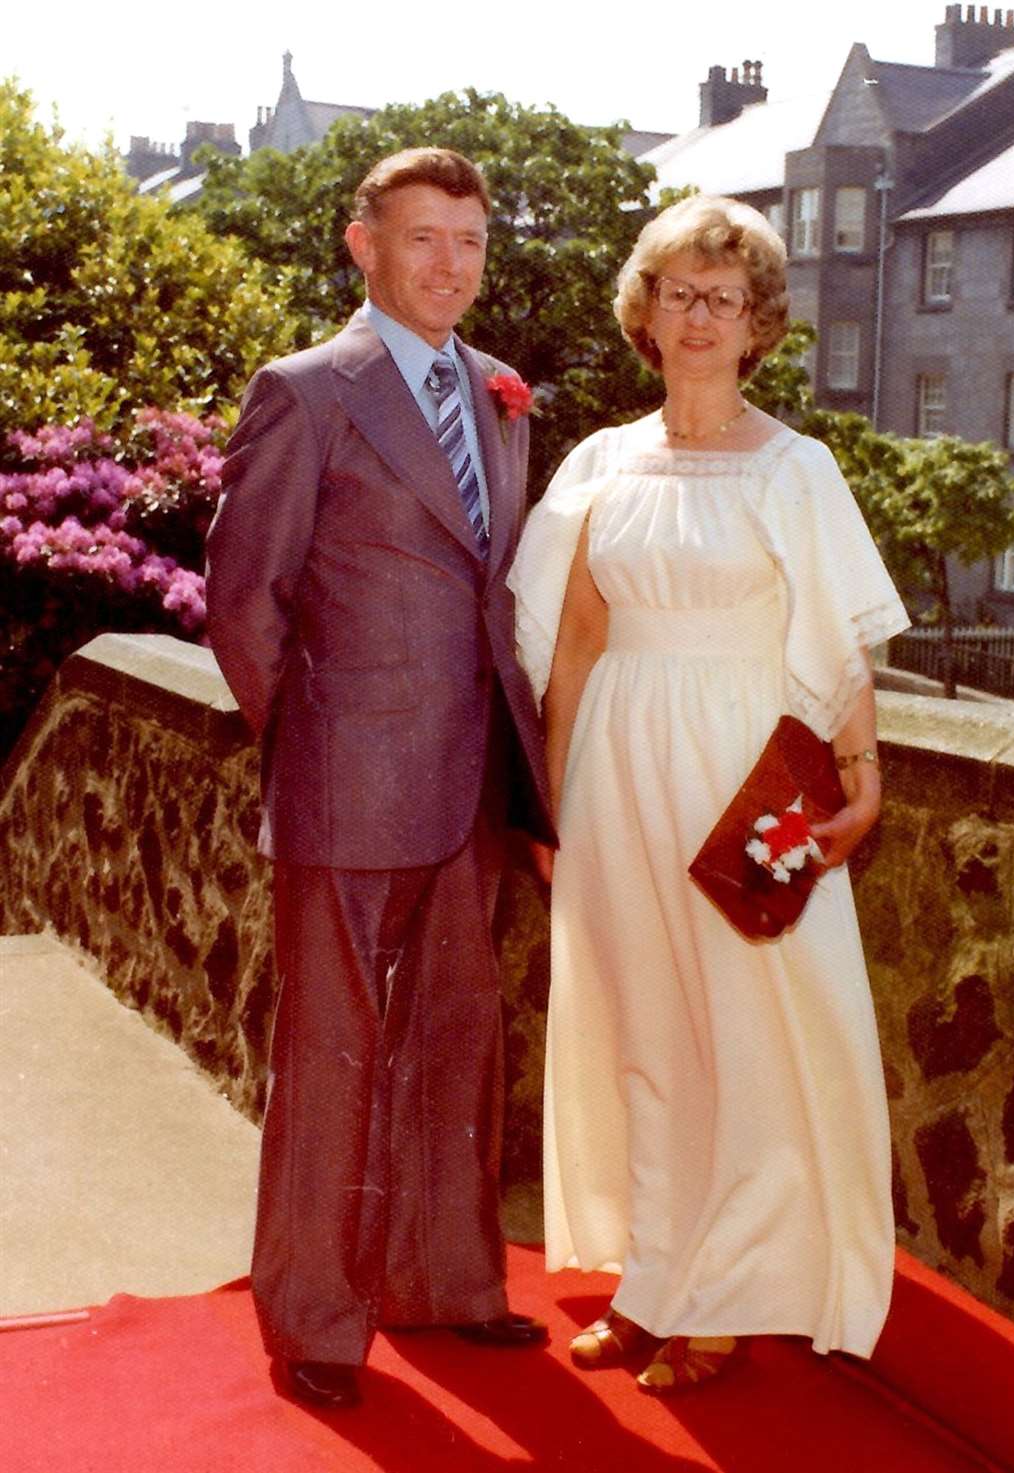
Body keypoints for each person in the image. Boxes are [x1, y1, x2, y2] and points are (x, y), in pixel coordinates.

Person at [508, 194, 910, 1393]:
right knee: (641, 1033)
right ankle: (653, 1282)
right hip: (616, 769)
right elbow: (574, 645)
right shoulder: (599, 463)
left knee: (748, 1030)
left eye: (722, 299)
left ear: (756, 326)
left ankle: (729, 1291)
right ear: (647, 310)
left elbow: (837, 645)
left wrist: (862, 782)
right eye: (678, 292)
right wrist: (551, 806)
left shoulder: (798, 468)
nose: (697, 316)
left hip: (747, 773)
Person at [205, 147, 556, 1410]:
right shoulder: (307, 393)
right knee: (336, 1053)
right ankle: (313, 1317)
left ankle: (450, 1284)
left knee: (459, 1041)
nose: (450, 264)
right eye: (423, 239)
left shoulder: (501, 394)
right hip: (347, 778)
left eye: (468, 239)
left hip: (475, 783)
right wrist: (311, 747)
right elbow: (244, 602)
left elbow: (490, 584)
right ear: (364, 245)